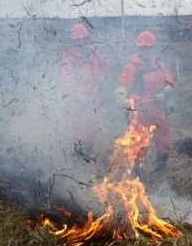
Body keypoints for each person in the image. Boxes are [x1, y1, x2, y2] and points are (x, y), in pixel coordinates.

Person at [115, 30, 174, 175]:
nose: (145, 50)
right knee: (140, 142)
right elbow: (123, 84)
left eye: (148, 47)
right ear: (138, 48)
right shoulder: (132, 65)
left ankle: (160, 166)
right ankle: (136, 172)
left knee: (165, 135)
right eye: (142, 47)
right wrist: (121, 98)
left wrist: (163, 93)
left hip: (157, 108)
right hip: (140, 111)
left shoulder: (158, 64)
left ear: (153, 48)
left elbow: (169, 83)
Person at [59, 23, 109, 154]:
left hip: (93, 95)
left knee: (93, 124)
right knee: (78, 125)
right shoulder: (69, 57)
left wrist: (102, 75)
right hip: (77, 99)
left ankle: (89, 148)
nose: (81, 43)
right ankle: (78, 152)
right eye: (78, 40)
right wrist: (79, 95)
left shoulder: (95, 53)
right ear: (74, 41)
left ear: (87, 39)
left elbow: (104, 65)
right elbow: (67, 78)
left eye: (83, 39)